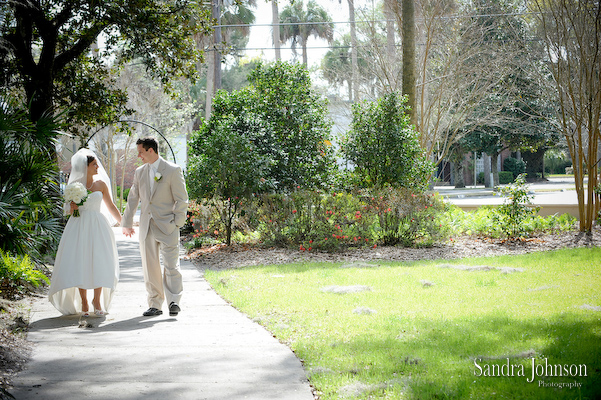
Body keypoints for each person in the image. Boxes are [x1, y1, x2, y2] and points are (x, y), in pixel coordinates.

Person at [49, 149, 122, 316]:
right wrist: (71, 207)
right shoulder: (75, 186)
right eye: (94, 164)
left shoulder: (101, 184)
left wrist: (123, 222)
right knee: (79, 261)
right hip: (78, 225)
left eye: (97, 164)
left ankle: (97, 301)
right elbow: (66, 209)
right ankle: (84, 302)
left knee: (100, 260)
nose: (98, 166)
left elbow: (110, 206)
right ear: (85, 167)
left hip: (98, 225)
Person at [122, 137, 188, 317]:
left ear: (151, 150)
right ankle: (155, 305)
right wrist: (127, 222)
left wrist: (178, 222)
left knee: (171, 265)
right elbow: (133, 198)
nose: (139, 156)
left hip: (168, 226)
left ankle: (174, 301)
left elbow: (182, 199)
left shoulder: (173, 170)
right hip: (147, 227)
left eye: (141, 152)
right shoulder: (139, 172)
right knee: (150, 267)